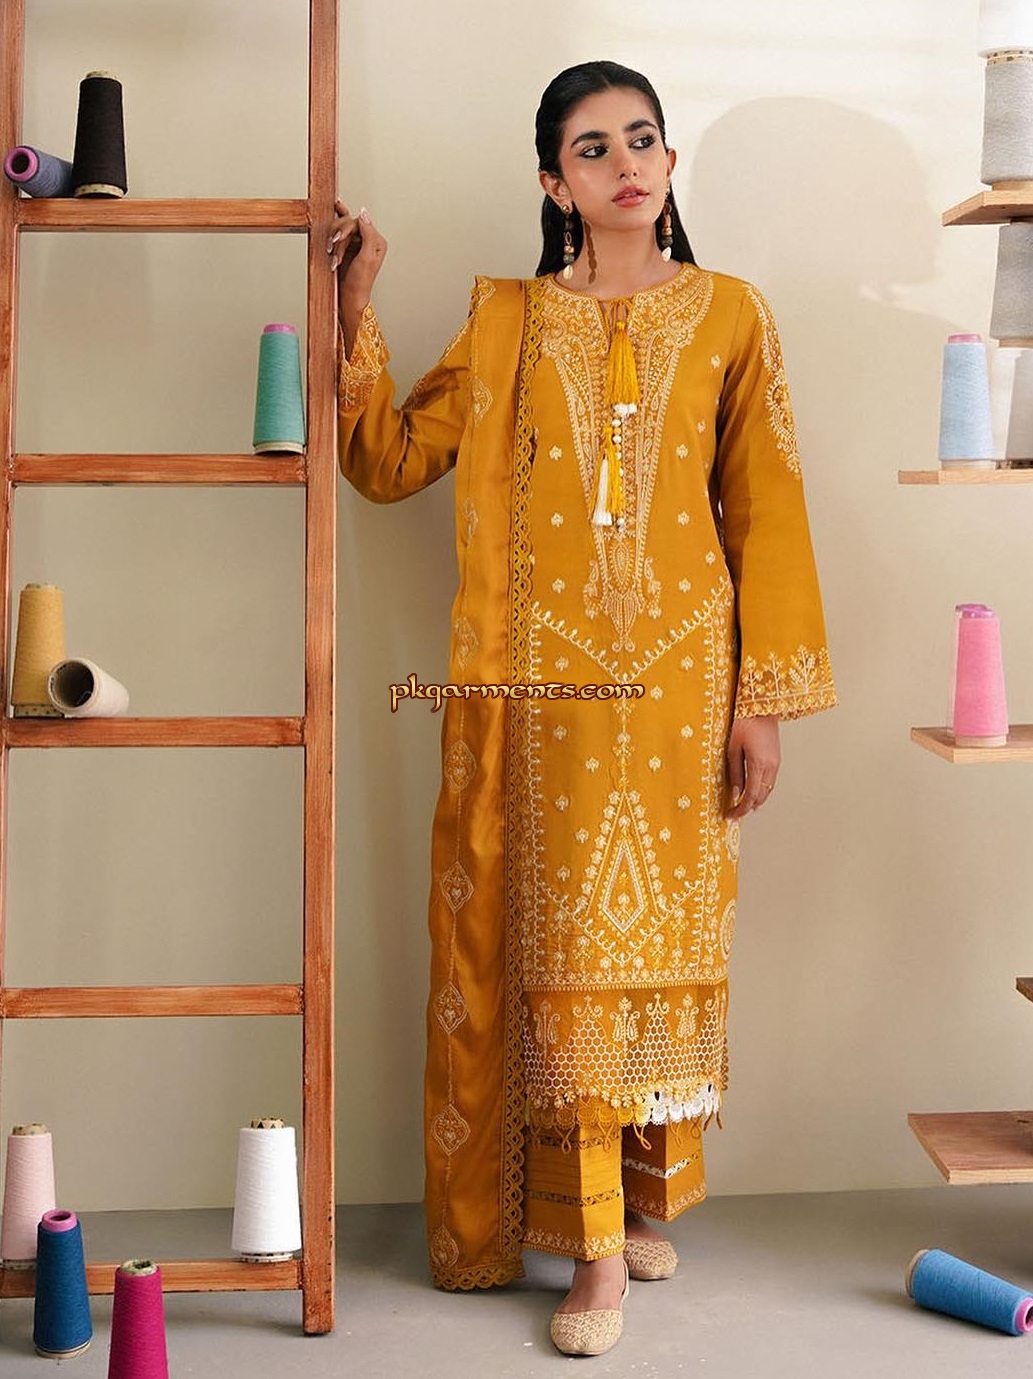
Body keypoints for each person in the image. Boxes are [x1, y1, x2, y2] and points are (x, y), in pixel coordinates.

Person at [332, 60, 835, 1358]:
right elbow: (387, 460)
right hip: (542, 700)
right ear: (554, 183)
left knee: (662, 953)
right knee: (568, 962)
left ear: (668, 162)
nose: (624, 162)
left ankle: (645, 1198)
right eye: (592, 146)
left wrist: (763, 701)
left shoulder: (732, 315)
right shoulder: (507, 321)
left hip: (681, 690)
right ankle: (594, 1254)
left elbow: (766, 508)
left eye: (642, 139)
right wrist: (356, 302)